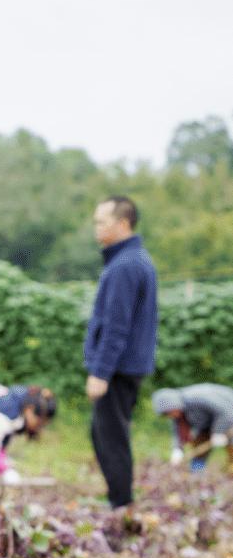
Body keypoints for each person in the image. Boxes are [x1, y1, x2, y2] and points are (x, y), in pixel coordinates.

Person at [84, 196, 158, 509]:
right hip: (126, 366)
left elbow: (117, 326)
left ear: (123, 224)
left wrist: (100, 373)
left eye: (102, 221)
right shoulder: (130, 260)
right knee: (103, 432)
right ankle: (119, 499)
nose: (96, 228)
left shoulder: (125, 266)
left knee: (110, 437)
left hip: (118, 369)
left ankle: (121, 505)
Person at [151, 384, 233, 472]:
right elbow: (178, 431)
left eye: (170, 412)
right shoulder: (179, 415)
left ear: (174, 404)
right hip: (208, 424)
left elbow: (226, 412)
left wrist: (219, 432)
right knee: (199, 442)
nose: (171, 415)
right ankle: (197, 472)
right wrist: (177, 449)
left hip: (229, 414)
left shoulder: (198, 398)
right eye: (166, 414)